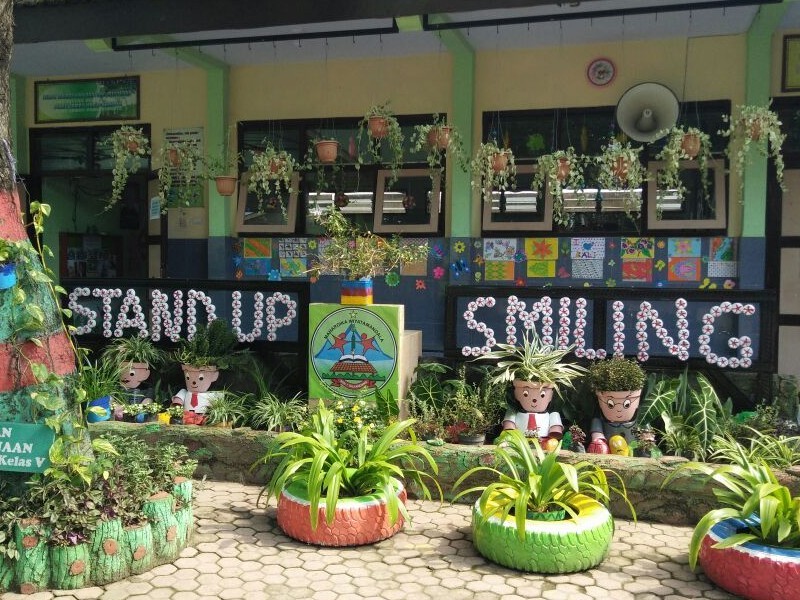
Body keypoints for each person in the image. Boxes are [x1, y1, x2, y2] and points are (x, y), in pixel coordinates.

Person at [502, 380, 563, 446]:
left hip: (543, 441)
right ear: (516, 394)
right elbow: (509, 423)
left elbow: (556, 427)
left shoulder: (551, 415)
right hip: (520, 440)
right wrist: (510, 428)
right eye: (525, 394)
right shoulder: (514, 412)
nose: (534, 400)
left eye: (542, 395)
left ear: (550, 396)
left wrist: (555, 430)